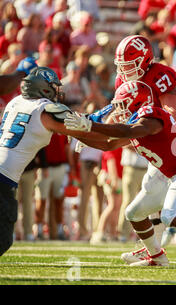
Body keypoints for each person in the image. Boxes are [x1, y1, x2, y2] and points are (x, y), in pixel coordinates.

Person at [64, 80, 176, 268]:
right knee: (133, 213)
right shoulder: (137, 122)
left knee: (169, 215)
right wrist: (80, 134)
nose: (120, 110)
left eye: (123, 104)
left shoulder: (152, 116)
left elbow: (127, 130)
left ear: (138, 102)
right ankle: (157, 256)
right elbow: (109, 144)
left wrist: (90, 126)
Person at [0, 66, 102, 256]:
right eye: (53, 87)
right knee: (3, 238)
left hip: (4, 172)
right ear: (44, 88)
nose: (57, 91)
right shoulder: (44, 109)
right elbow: (80, 124)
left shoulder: (15, 102)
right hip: (4, 178)